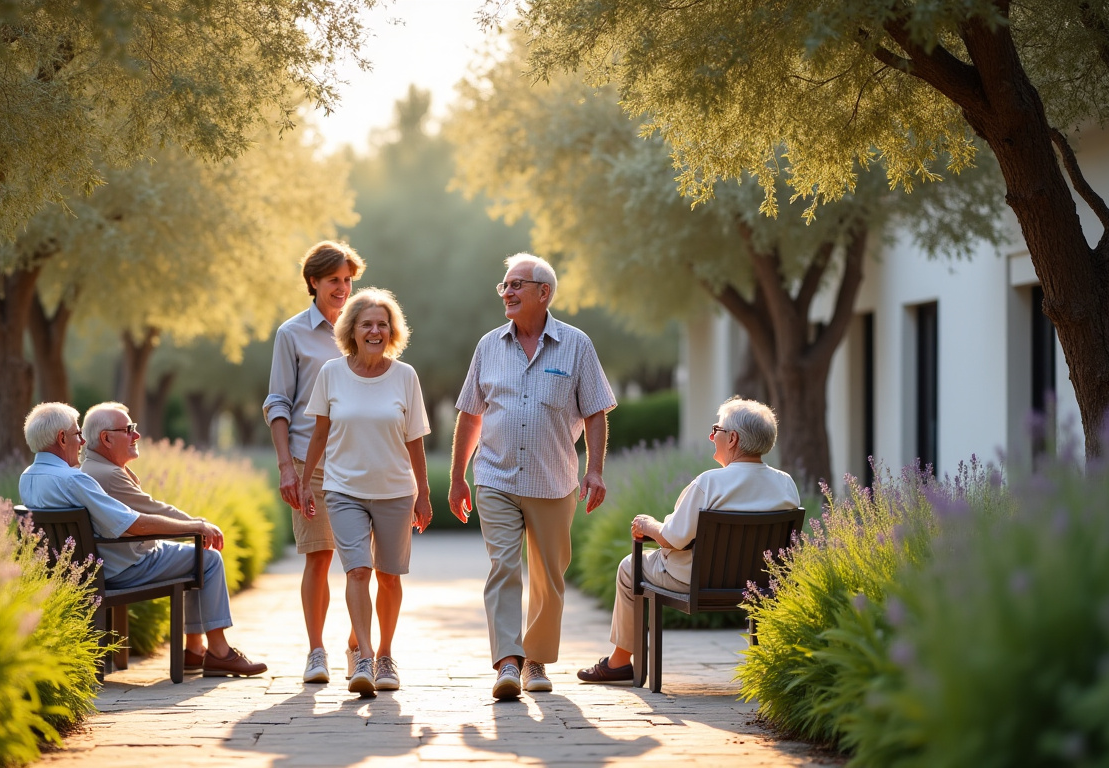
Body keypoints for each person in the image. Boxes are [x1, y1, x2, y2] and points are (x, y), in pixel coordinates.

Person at [449, 253, 617, 700]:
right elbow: (470, 415)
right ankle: (508, 662)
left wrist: (595, 470)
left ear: (544, 293)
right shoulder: (488, 346)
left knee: (549, 573)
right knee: (503, 566)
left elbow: (597, 411)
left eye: (517, 284)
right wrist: (458, 477)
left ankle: (536, 661)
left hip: (553, 479)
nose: (507, 292)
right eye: (504, 285)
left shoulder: (577, 344)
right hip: (495, 477)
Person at [18, 401, 267, 677]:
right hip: (116, 571)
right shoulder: (75, 480)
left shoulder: (27, 478)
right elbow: (133, 524)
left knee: (195, 555)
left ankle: (196, 651)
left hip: (76, 574)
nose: (82, 441)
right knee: (207, 558)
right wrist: (196, 526)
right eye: (77, 435)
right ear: (62, 438)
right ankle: (219, 652)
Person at [576, 396, 801, 683]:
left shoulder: (709, 483)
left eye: (716, 430)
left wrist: (648, 524)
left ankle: (620, 662)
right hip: (761, 581)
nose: (710, 436)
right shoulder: (786, 483)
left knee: (629, 566)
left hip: (698, 579)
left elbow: (673, 539)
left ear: (732, 439)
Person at [300, 288, 433, 697]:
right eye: (366, 324)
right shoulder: (331, 373)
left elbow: (415, 441)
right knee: (357, 570)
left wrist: (423, 494)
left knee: (389, 577)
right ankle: (363, 657)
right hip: (343, 489)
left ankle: (385, 657)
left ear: (391, 331)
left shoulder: (405, 376)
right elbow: (319, 432)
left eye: (382, 324)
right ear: (352, 331)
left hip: (395, 491)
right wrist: (306, 481)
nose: (375, 331)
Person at [263, 240, 369, 684]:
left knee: (363, 563)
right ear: (313, 282)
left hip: (365, 459)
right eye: (333, 281)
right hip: (313, 462)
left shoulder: (367, 326)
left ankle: (355, 646)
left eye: (347, 281)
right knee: (319, 558)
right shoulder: (292, 334)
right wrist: (288, 467)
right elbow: (277, 403)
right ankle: (316, 652)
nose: (342, 289)